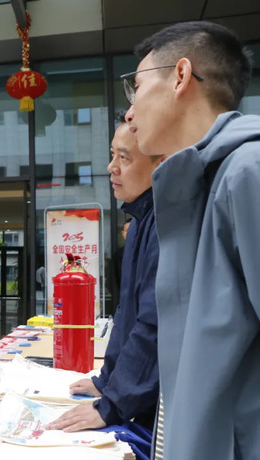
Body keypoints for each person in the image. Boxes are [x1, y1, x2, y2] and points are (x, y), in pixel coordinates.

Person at [122, 21, 257, 459]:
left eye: (137, 87)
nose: (129, 112)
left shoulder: (248, 171)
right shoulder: (194, 187)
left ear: (180, 76)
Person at [48, 117, 165, 440]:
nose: (111, 167)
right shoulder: (139, 221)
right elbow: (127, 314)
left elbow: (154, 324)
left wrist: (111, 404)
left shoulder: (166, 221)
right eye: (112, 155)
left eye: (124, 157)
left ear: (161, 162)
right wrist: (106, 382)